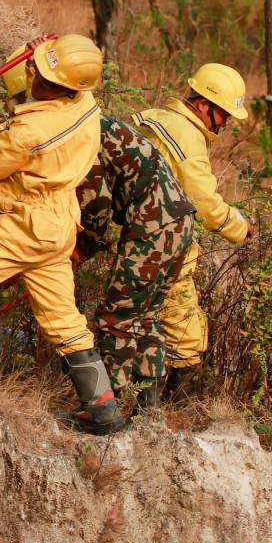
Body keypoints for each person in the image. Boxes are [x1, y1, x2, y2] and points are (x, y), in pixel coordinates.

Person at [0, 35, 128, 435]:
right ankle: (104, 410)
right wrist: (37, 49)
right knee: (62, 319)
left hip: (23, 223)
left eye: (41, 72)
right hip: (59, 225)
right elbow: (64, 71)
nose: (32, 73)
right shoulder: (86, 103)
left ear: (59, 86)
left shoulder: (30, 131)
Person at [131, 63, 254, 400]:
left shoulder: (153, 117)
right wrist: (240, 228)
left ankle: (145, 412)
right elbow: (203, 201)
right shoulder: (187, 136)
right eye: (224, 114)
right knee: (188, 337)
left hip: (136, 240)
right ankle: (165, 415)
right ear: (203, 105)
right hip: (165, 250)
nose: (227, 123)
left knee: (143, 329)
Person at [77, 99, 197, 413]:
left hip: (154, 223)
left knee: (117, 319)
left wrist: (86, 245)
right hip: (180, 220)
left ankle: (105, 411)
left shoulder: (81, 133)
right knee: (146, 318)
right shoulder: (99, 122)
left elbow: (97, 204)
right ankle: (149, 412)